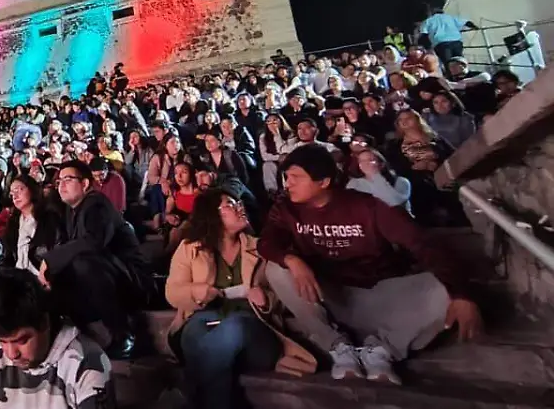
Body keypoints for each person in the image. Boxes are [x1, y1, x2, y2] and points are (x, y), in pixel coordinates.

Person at [257, 145, 483, 385]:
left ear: (323, 181)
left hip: (380, 294)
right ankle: (337, 346)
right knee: (276, 269)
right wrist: (292, 260)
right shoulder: (286, 208)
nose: (288, 183)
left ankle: (380, 351)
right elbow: (266, 243)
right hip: (331, 296)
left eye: (296, 177)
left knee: (445, 291)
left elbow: (422, 244)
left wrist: (461, 293)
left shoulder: (366, 206)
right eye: (287, 177)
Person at [166, 188, 314, 409]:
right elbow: (172, 293)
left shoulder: (260, 248)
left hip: (255, 334)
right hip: (204, 319)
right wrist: (197, 292)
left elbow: (286, 295)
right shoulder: (191, 248)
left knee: (235, 326)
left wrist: (267, 300)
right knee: (194, 332)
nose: (239, 207)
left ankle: (184, 391)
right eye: (229, 204)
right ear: (213, 215)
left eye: (238, 202)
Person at [40, 161, 146, 357]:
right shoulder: (72, 211)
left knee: (81, 262)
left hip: (128, 278)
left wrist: (50, 260)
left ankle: (124, 334)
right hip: (108, 277)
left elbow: (93, 242)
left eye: (68, 179)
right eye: (59, 181)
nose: (61, 185)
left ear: (85, 184)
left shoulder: (96, 204)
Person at [0, 270, 115, 409]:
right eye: (3, 341)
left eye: (22, 340)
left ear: (44, 323)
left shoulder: (87, 364)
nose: (11, 354)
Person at [1, 175, 62, 277]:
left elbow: (56, 249)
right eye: (12, 193)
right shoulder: (14, 221)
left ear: (31, 189)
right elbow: (8, 254)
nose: (15, 196)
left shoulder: (48, 217)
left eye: (19, 190)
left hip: (42, 276)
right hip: (19, 277)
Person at [347, 149, 412, 213]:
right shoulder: (354, 183)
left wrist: (375, 175)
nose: (365, 164)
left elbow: (395, 203)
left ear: (382, 164)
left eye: (370, 160)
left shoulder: (401, 181)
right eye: (361, 161)